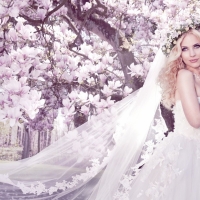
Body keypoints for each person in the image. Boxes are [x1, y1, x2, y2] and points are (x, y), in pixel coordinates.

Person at [0, 27, 200, 200]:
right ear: (178, 53)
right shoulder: (185, 75)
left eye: (196, 46)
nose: (192, 53)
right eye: (185, 48)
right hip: (187, 150)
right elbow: (195, 120)